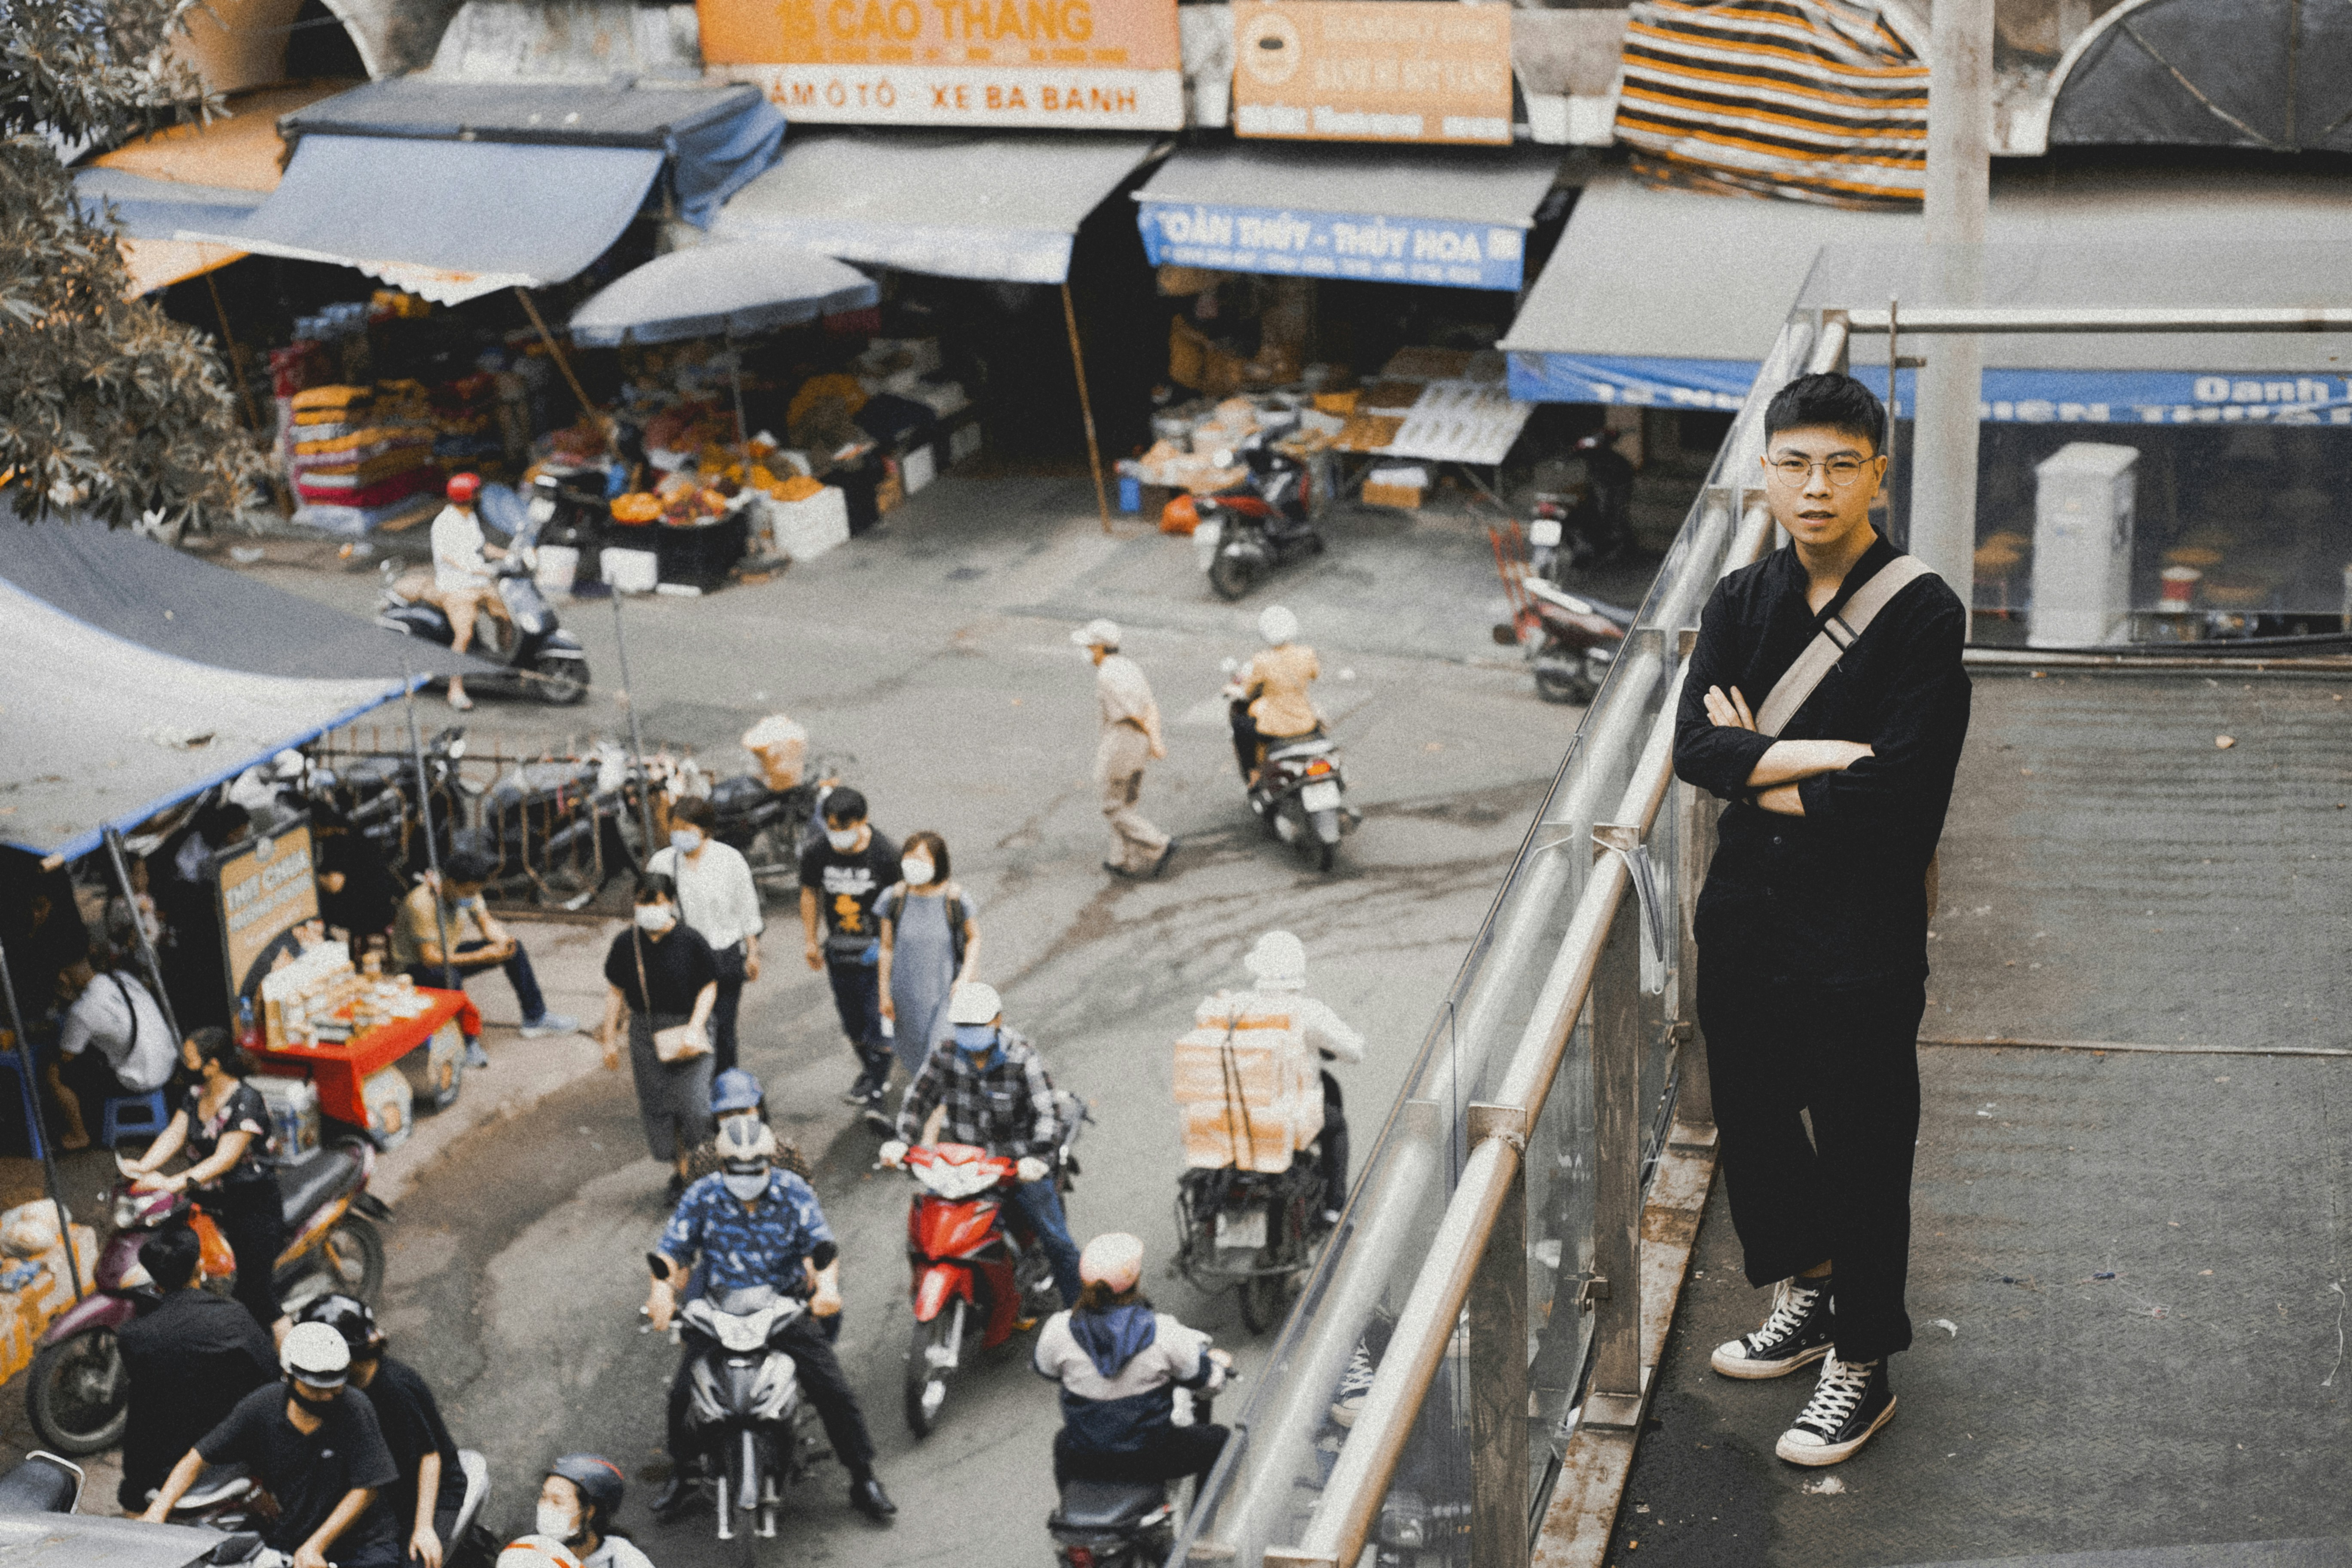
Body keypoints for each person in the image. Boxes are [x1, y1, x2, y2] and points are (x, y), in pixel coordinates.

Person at [1671, 371, 1970, 1468]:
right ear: (1764, 471)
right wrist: (1826, 759)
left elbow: (1900, 804)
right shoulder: (1740, 601)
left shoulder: (1921, 611)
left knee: (1859, 1140)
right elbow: (1690, 752)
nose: (1814, 486)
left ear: (1874, 476)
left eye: (1839, 464)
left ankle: (1863, 1357)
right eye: (1793, 462)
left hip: (1860, 929)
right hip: (1745, 913)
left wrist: (1756, 767)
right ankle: (1811, 1288)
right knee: (1748, 1117)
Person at [646, 1117, 895, 1523]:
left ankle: (863, 1477)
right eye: (737, 1169)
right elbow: (673, 1251)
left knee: (833, 1390)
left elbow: (821, 1248)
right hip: (721, 1308)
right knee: (681, 1396)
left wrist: (827, 1288)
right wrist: (660, 1291)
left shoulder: (793, 1192)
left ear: (770, 1162)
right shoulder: (702, 1195)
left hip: (782, 1306)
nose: (748, 1178)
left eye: (756, 1168)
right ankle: (684, 1472)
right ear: (723, 1166)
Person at [880, 982, 1081, 1309]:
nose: (970, 1033)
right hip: (970, 1167)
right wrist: (901, 1141)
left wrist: (1039, 1158)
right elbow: (919, 1098)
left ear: (997, 1021)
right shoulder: (946, 1055)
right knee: (945, 1233)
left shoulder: (1022, 1056)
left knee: (1058, 1243)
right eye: (963, 1027)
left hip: (1020, 1166)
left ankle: (1078, 1314)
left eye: (977, 1026)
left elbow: (1048, 1113)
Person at [143, 1321, 405, 1568]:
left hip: (363, 1545)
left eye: (335, 1388)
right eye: (315, 1389)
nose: (327, 1396)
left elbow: (366, 1489)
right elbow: (197, 1459)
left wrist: (316, 1546)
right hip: (294, 1537)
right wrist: (158, 1510)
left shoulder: (355, 1408)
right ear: (288, 1375)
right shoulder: (263, 1406)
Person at [1033, 1232, 1231, 1498]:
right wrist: (1217, 1365)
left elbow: (1047, 1371)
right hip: (1152, 1458)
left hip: (1087, 1458)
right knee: (1221, 1440)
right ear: (1135, 1282)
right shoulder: (1163, 1332)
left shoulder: (1058, 1330)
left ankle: (1072, 1505)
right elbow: (1209, 1382)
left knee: (1063, 1442)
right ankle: (1202, 1525)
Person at [121, 1026, 288, 1334]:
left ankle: (284, 1368)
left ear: (213, 1065)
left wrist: (172, 1183)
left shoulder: (246, 1101)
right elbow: (174, 1134)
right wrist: (143, 1166)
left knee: (260, 1297)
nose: (184, 1065)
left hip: (251, 1204)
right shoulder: (196, 1094)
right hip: (205, 1202)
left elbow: (224, 1159)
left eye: (190, 1059)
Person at [116, 1222, 279, 1513]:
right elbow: (271, 1379)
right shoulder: (234, 1319)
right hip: (234, 1458)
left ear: (154, 1279)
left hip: (161, 1471)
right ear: (200, 1265)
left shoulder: (133, 1337)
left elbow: (145, 1409)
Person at [297, 1295, 468, 1568]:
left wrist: (424, 1528)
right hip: (388, 1483)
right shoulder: (342, 1388)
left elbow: (430, 1458)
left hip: (429, 1491)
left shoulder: (394, 1391)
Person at [392, 850, 578, 1068]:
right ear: (451, 883)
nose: (473, 896)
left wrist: (502, 942)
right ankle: (467, 1041)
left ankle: (535, 1017)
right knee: (448, 975)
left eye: (476, 891)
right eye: (469, 891)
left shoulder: (469, 892)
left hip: (448, 952)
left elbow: (486, 922)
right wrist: (481, 956)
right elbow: (430, 958)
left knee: (515, 949)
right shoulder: (421, 904)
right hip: (417, 968)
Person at [600, 875, 719, 1199]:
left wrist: (696, 1027)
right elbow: (615, 993)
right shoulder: (626, 944)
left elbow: (709, 986)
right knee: (661, 1108)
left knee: (695, 1105)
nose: (649, 909)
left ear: (670, 902)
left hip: (689, 1028)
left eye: (655, 902)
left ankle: (705, 1170)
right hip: (646, 1034)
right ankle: (683, 1175)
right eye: (642, 902)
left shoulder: (691, 940)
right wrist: (609, 1039)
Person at [1238, 931, 1363, 1225]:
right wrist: (1356, 1043)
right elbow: (1353, 1052)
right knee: (1336, 1127)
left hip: (1238, 1114)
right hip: (1289, 1117)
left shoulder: (1238, 1008)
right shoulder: (1308, 1012)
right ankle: (1335, 1206)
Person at [796, 787, 900, 1123]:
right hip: (840, 952)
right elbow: (810, 892)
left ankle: (877, 1096)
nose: (838, 834)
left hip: (877, 954)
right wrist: (811, 939)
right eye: (832, 827)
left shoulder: (885, 855)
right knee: (853, 1025)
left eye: (844, 827)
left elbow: (900, 906)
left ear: (863, 821)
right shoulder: (818, 852)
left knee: (879, 1026)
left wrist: (890, 949)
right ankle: (873, 1073)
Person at [646, 796, 763, 1077]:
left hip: (723, 957)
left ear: (706, 830)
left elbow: (746, 908)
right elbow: (651, 913)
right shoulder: (662, 863)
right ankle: (692, 1094)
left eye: (688, 829)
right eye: (676, 828)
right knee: (684, 1029)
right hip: (680, 961)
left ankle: (724, 1091)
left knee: (723, 1032)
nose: (680, 835)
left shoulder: (729, 860)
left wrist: (753, 952)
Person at [1072, 619, 1174, 879]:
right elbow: (1150, 707)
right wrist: (1154, 739)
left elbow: (1132, 714)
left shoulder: (1107, 676)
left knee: (1113, 807)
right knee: (1127, 803)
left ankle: (1158, 844)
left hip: (1122, 744)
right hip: (1137, 745)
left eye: (1089, 646)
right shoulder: (1131, 667)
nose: (1086, 651)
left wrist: (1152, 737)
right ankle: (1121, 860)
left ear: (1099, 648)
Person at [873, 832, 979, 1081]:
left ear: (938, 863)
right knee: (917, 1059)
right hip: (906, 996)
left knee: (940, 1056)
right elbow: (886, 947)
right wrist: (884, 992)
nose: (914, 865)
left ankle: (940, 1115)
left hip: (945, 994)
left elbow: (974, 938)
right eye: (909, 858)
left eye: (921, 860)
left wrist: (965, 977)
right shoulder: (894, 899)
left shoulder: (955, 899)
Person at [49, 949, 176, 1150]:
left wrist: (67, 998)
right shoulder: (122, 978)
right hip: (169, 1063)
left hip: (141, 1078)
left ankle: (79, 1135)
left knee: (58, 1073)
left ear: (63, 978)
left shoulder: (82, 1010)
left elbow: (65, 1055)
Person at [431, 472, 507, 712]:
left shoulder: (470, 517)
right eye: (476, 492)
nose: (479, 495)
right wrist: (474, 569)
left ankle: (506, 666)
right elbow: (447, 556)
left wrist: (509, 555)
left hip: (478, 581)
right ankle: (455, 689)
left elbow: (481, 546)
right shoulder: (444, 523)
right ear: (468, 496)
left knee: (506, 617)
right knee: (464, 634)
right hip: (455, 586)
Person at [1228, 605, 1320, 785]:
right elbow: (1315, 674)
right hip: (1306, 723)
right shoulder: (1307, 653)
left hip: (1275, 729)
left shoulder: (1262, 660)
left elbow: (1247, 691)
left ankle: (1253, 773)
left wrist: (1233, 690)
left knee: (1240, 725)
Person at [680, 1068, 811, 1187]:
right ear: (716, 1117)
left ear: (760, 1109)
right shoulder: (702, 1158)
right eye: (727, 1114)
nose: (737, 1119)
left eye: (743, 1111)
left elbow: (806, 1192)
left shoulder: (785, 1151)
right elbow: (693, 1200)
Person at [536, 1455, 652, 1568]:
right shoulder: (534, 1549)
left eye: (558, 1502)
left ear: (590, 1511)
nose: (545, 1508)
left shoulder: (624, 1558)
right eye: (544, 1497)